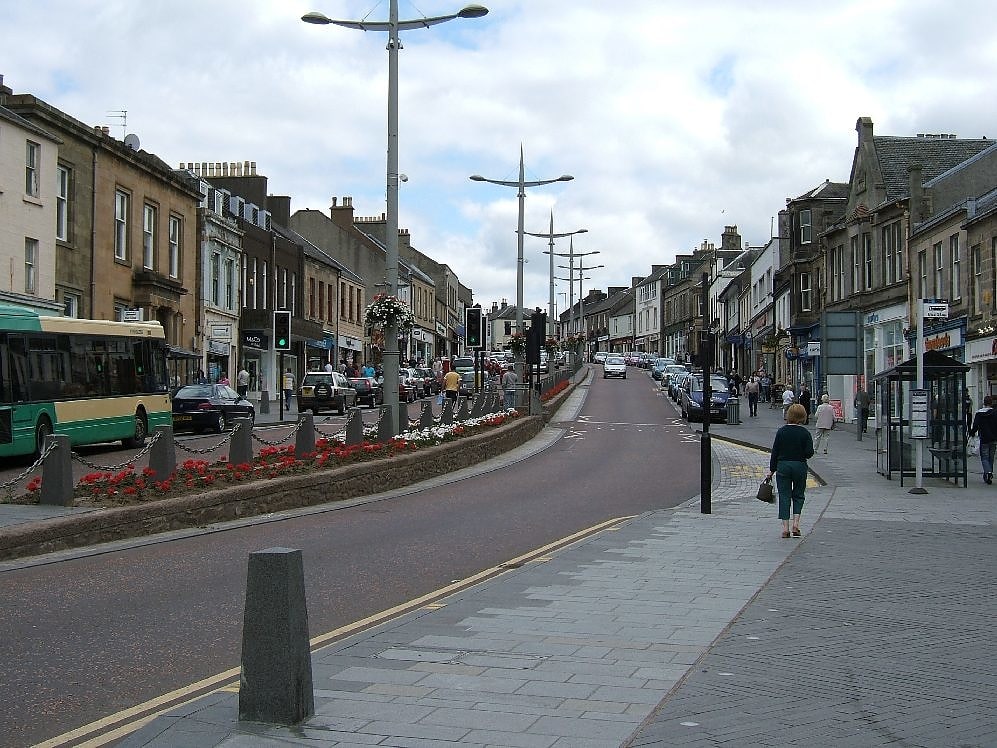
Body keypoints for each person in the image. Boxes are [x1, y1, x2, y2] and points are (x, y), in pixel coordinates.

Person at [767, 403, 815, 539]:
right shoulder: (805, 433)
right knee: (799, 495)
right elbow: (809, 453)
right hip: (799, 466)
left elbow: (775, 452)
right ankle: (796, 524)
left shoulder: (781, 431)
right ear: (803, 416)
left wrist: (772, 470)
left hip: (783, 466)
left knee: (784, 495)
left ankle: (785, 528)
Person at [968, 395, 997, 484]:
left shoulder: (979, 414)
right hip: (994, 438)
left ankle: (988, 472)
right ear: (991, 403)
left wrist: (972, 433)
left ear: (984, 403)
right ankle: (989, 473)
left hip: (984, 438)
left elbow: (976, 425)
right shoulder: (995, 413)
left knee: (984, 457)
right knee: (991, 457)